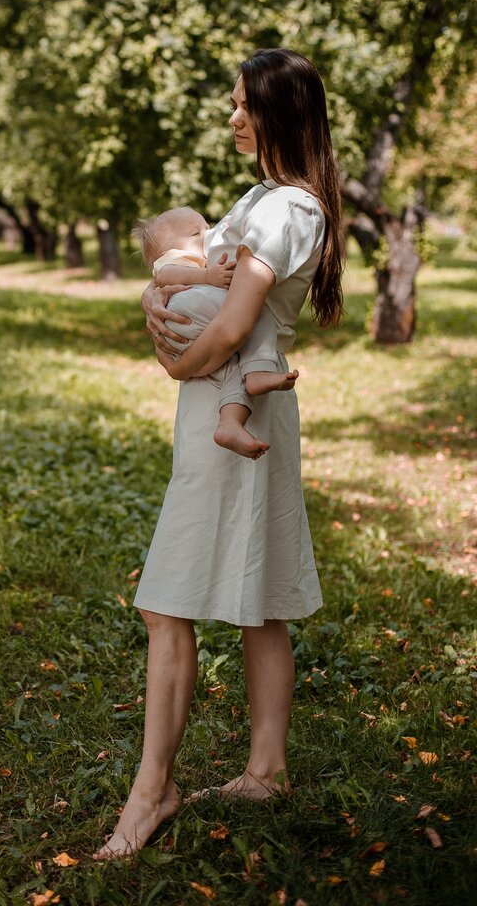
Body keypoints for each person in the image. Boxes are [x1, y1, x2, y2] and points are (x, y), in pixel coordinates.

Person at [92, 48, 345, 862]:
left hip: (232, 415)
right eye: (231, 102)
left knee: (165, 603)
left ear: (280, 112)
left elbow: (233, 326)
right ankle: (265, 769)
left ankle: (152, 791)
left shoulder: (288, 210)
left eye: (244, 105)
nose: (232, 116)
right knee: (260, 598)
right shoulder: (265, 198)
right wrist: (153, 291)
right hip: (239, 412)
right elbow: (197, 267)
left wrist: (172, 361)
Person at [131, 206, 299, 459]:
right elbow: (166, 275)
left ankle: (230, 423)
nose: (208, 235)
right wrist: (208, 275)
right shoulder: (173, 261)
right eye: (197, 232)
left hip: (190, 320)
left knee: (232, 363)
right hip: (189, 307)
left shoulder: (194, 260)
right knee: (257, 313)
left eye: (208, 228)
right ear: (169, 249)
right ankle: (259, 369)